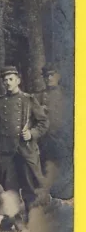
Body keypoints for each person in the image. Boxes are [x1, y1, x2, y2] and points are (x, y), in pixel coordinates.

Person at [0, 66, 49, 215]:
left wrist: (32, 134)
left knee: (29, 185)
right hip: (7, 150)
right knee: (9, 186)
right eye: (5, 80)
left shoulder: (28, 99)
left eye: (11, 79)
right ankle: (15, 218)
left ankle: (33, 217)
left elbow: (43, 122)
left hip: (25, 149)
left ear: (18, 80)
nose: (8, 82)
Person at [36, 63, 72, 198]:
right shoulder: (40, 96)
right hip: (45, 139)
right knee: (46, 166)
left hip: (63, 138)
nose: (49, 78)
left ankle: (64, 194)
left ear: (58, 76)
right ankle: (48, 195)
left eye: (52, 75)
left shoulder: (66, 95)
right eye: (47, 76)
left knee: (63, 166)